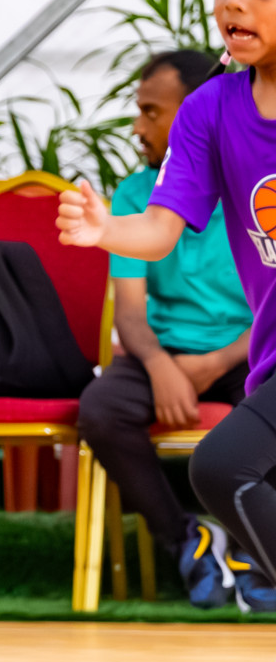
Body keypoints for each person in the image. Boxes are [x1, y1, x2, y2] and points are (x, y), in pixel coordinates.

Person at [58, 0, 276, 662]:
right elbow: (161, 226)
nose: (235, 1)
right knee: (235, 476)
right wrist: (104, 229)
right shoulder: (212, 112)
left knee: (221, 467)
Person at [75, 49, 255, 609]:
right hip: (161, 351)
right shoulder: (133, 194)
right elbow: (129, 312)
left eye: (153, 112)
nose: (138, 127)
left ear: (197, 112)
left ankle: (255, 552)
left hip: (245, 351)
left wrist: (215, 364)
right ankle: (188, 541)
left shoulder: (251, 182)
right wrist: (160, 367)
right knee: (101, 411)